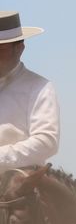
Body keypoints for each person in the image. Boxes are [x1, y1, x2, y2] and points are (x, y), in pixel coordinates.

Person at [0, 10, 60, 170]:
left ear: (20, 48)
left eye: (1, 50)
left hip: (17, 184)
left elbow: (46, 142)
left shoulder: (39, 88)